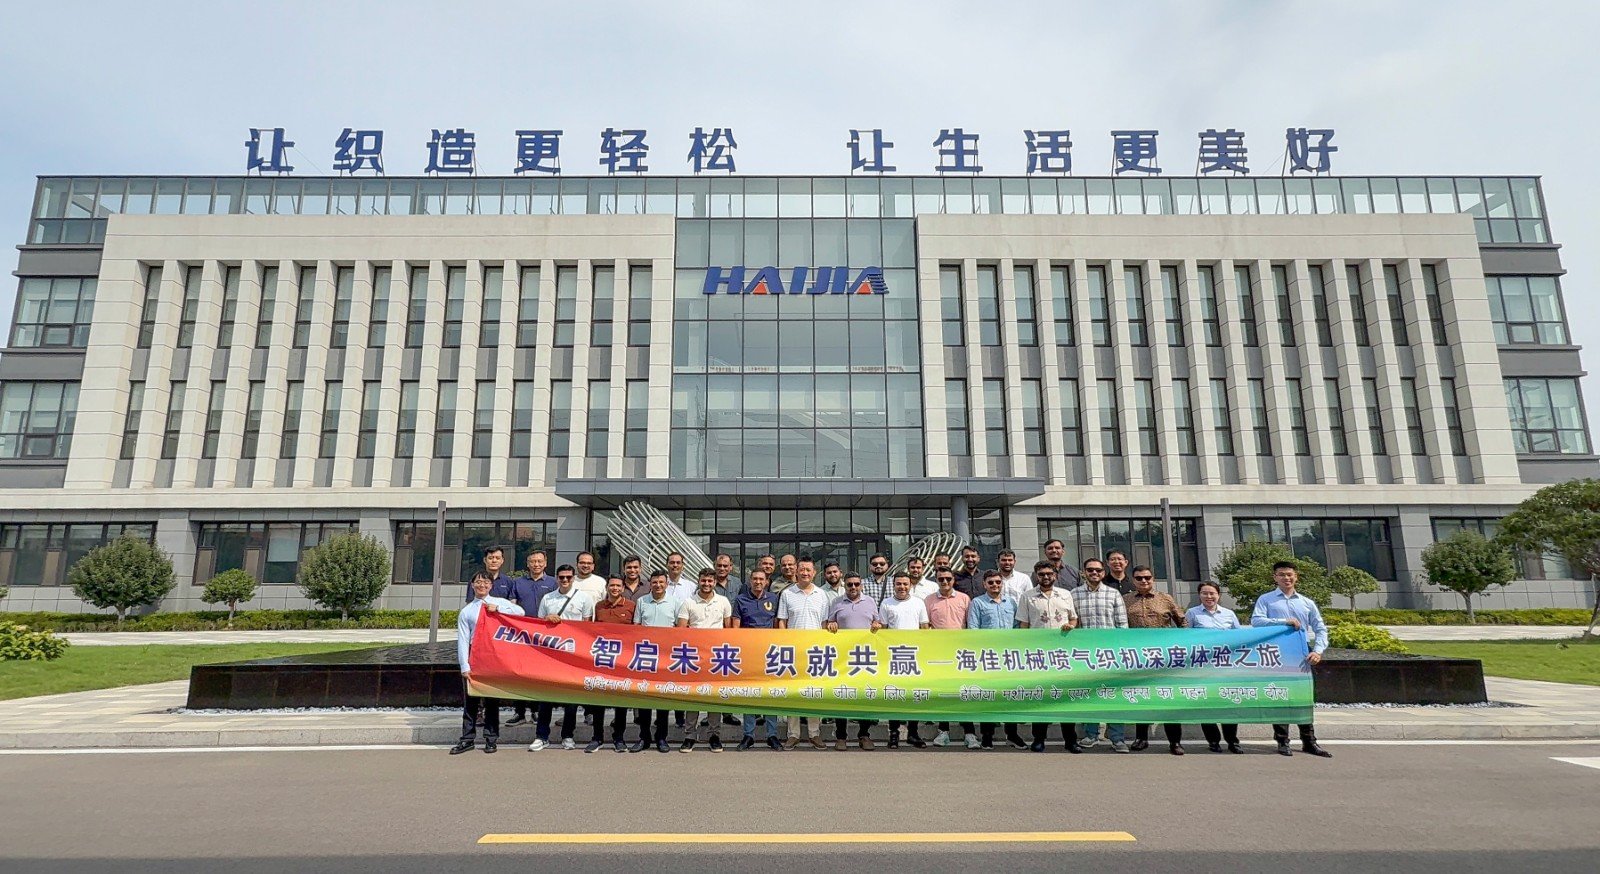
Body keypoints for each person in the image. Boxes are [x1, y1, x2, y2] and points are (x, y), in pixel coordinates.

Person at [1252, 561, 1332, 758]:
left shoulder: (1306, 603)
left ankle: (1309, 741)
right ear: (1275, 577)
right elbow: (1256, 621)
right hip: (1275, 654)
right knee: (1278, 696)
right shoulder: (1266, 599)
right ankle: (1282, 741)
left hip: (1302, 655)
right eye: (1281, 575)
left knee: (1303, 697)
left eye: (1289, 574)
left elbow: (1320, 629)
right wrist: (1283, 622)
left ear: (1296, 577)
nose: (1286, 578)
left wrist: (1318, 651)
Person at [451, 572, 525, 755]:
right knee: (471, 702)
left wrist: (499, 609)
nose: (481, 585)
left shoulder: (499, 602)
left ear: (491, 585)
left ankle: (491, 738)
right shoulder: (467, 611)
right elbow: (463, 640)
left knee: (492, 701)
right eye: (478, 582)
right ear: (472, 585)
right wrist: (464, 666)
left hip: (493, 657)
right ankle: (467, 739)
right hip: (475, 656)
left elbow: (520, 612)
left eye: (485, 582)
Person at [1016, 562, 1081, 753]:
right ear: (1036, 576)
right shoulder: (1027, 596)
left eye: (1049, 574)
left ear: (1055, 575)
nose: (1046, 577)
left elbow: (1073, 618)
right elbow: (1024, 625)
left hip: (1063, 654)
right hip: (1039, 655)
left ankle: (1070, 740)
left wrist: (1071, 626)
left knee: (1065, 698)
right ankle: (1039, 739)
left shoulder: (1065, 594)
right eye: (1042, 574)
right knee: (1041, 697)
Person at [529, 564, 595, 751]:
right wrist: (547, 619)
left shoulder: (584, 598)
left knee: (571, 699)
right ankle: (542, 736)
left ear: (574, 578)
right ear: (556, 579)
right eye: (561, 577)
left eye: (568, 577)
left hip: (573, 655)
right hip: (551, 655)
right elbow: (539, 625)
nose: (565, 580)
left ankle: (568, 735)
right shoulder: (548, 598)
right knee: (546, 698)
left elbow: (587, 627)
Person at [1123, 565, 1186, 755]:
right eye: (1139, 578)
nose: (1144, 581)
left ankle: (1175, 742)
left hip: (1164, 657)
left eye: (1147, 577)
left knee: (1168, 699)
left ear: (1153, 579)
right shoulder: (1125, 600)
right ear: (1133, 580)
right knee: (1142, 697)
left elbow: (1182, 622)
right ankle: (1141, 738)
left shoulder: (1166, 598)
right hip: (1138, 657)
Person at [1071, 557, 1129, 752]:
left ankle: (1117, 738)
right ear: (1084, 573)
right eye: (1090, 570)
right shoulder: (1074, 594)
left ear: (1103, 573)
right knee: (1090, 695)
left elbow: (1122, 625)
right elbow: (1073, 623)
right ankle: (1091, 734)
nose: (1094, 573)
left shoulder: (1113, 594)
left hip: (1110, 654)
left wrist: (1121, 652)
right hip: (1085, 655)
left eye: (1098, 570)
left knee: (1114, 696)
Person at [968, 570, 1029, 751]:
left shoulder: (1011, 602)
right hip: (988, 657)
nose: (995, 585)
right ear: (984, 584)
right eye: (991, 582)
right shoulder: (977, 602)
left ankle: (1012, 734)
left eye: (997, 582)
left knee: (1011, 695)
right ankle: (987, 736)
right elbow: (973, 629)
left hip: (1008, 657)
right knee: (988, 696)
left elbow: (1017, 627)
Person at [676, 569, 734, 753]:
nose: (706, 584)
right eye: (703, 581)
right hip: (694, 656)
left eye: (710, 581)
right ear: (698, 581)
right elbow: (681, 630)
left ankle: (714, 735)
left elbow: (728, 629)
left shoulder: (723, 601)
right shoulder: (688, 602)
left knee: (713, 697)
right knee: (693, 697)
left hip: (716, 657)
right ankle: (689, 736)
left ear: (715, 582)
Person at [776, 558, 831, 749]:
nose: (805, 573)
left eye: (808, 570)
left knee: (813, 692)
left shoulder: (821, 594)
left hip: (815, 652)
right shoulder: (787, 593)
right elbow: (782, 621)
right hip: (793, 651)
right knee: (793, 692)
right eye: (802, 570)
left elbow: (824, 623)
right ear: (796, 572)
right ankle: (793, 734)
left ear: (814, 573)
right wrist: (785, 645)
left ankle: (814, 733)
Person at [824, 575, 882, 750]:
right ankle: (841, 736)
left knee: (864, 696)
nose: (853, 587)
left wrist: (877, 624)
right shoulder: (836, 602)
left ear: (861, 585)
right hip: (842, 657)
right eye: (850, 584)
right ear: (845, 585)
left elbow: (878, 622)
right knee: (842, 696)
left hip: (865, 657)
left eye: (857, 584)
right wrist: (831, 625)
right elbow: (829, 623)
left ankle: (864, 735)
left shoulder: (870, 601)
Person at [1187, 581, 1244, 754]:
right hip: (1202, 666)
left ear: (1218, 595)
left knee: (1228, 704)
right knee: (1206, 703)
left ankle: (1232, 741)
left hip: (1226, 666)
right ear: (1199, 595)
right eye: (1204, 593)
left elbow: (1240, 637)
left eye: (1212, 593)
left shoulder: (1229, 614)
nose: (1208, 596)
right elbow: (1185, 638)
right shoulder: (1192, 613)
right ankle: (1213, 740)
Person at [924, 567, 978, 749]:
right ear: (936, 580)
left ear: (954, 580)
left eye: (948, 579)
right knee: (943, 692)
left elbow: (970, 624)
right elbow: (926, 626)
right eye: (941, 579)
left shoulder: (964, 599)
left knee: (964, 692)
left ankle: (969, 733)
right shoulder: (929, 600)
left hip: (961, 652)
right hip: (939, 652)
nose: (945, 582)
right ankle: (943, 731)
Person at [504, 550, 559, 726]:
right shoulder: (518, 583)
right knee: (519, 674)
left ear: (545, 563)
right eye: (533, 561)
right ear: (527, 564)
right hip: (522, 636)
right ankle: (519, 712)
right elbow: (512, 607)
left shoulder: (553, 583)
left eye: (539, 561)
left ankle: (536, 711)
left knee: (539, 676)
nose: (536, 564)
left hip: (544, 637)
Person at [732, 569, 783, 751]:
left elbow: (777, 626)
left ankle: (772, 735)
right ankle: (749, 735)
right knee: (749, 693)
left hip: (770, 653)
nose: (758, 582)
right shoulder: (740, 600)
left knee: (770, 694)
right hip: (748, 654)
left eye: (761, 579)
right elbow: (735, 628)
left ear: (767, 581)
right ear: (750, 581)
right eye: (755, 579)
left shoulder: (774, 599)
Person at [629, 571, 681, 753]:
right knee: (644, 699)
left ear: (666, 584)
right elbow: (636, 627)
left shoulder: (675, 602)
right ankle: (644, 737)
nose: (658, 585)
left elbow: (680, 629)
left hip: (666, 658)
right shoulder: (642, 601)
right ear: (649, 584)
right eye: (654, 582)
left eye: (661, 582)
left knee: (662, 700)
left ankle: (661, 738)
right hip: (646, 656)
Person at [878, 573, 929, 749]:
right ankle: (894, 733)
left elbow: (924, 628)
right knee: (895, 696)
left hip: (914, 656)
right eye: (898, 584)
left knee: (913, 695)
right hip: (894, 656)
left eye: (905, 584)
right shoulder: (886, 603)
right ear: (893, 585)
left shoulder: (918, 603)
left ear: (910, 585)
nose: (902, 587)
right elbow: (883, 631)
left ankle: (913, 733)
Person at [586, 577, 637, 753]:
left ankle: (619, 738)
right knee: (599, 700)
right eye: (611, 585)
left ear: (623, 588)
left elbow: (636, 631)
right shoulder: (599, 606)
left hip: (623, 660)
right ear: (607, 587)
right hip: (602, 658)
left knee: (620, 701)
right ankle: (597, 737)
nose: (614, 588)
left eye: (618, 585)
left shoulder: (631, 606)